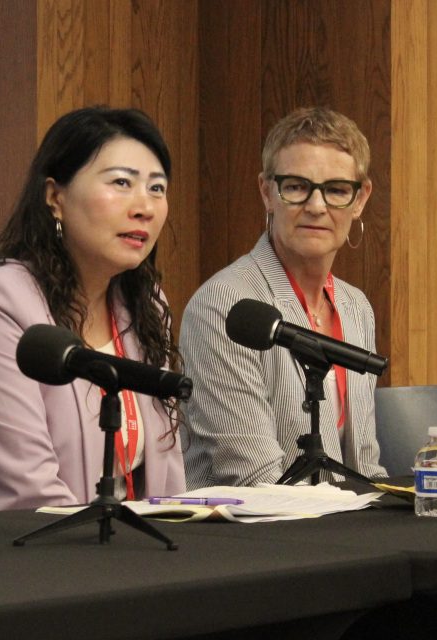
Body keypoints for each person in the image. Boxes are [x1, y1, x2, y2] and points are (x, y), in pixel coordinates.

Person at [0, 107, 186, 514]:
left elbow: (166, 475)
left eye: (157, 188)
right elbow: (25, 495)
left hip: (110, 552)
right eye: (121, 183)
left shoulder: (144, 303)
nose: (145, 207)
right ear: (55, 197)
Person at [181, 106, 387, 488]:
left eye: (337, 190)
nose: (316, 206)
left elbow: (365, 467)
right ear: (267, 192)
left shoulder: (356, 307)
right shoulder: (224, 305)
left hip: (342, 531)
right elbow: (255, 477)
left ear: (360, 199)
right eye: (296, 186)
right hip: (250, 536)